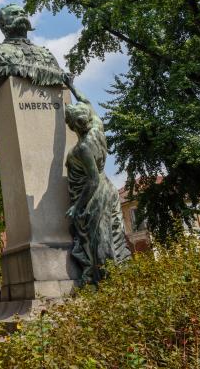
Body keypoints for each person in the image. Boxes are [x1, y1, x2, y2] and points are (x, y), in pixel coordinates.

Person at [63, 74, 130, 284]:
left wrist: (77, 206)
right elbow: (86, 100)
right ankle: (115, 277)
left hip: (96, 195)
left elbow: (91, 180)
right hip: (107, 186)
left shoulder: (83, 148)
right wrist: (70, 85)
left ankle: (107, 283)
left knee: (99, 240)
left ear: (76, 127)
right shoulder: (97, 125)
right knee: (112, 232)